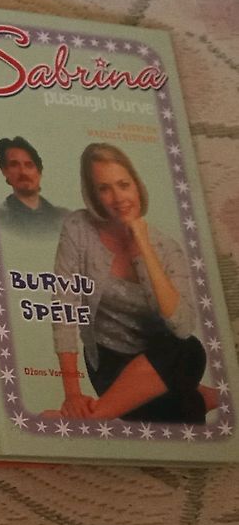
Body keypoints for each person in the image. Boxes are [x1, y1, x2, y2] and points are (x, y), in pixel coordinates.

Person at [51, 143, 214, 422]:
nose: (117, 197)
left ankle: (93, 417)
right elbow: (63, 306)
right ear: (93, 194)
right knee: (184, 410)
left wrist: (143, 247)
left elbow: (182, 325)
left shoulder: (167, 248)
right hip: (109, 365)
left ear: (137, 185)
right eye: (104, 188)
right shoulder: (78, 228)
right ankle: (205, 397)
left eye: (123, 185)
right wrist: (72, 395)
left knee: (188, 349)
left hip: (163, 358)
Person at [0, 136, 68, 235]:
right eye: (14, 165)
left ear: (39, 172)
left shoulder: (63, 218)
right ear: (5, 171)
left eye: (29, 165)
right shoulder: (0, 221)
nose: (23, 172)